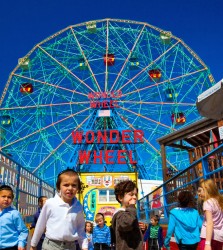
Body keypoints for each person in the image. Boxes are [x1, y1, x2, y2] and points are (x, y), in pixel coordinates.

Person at [30, 169, 88, 250]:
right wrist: (33, 245)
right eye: (66, 185)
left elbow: (81, 229)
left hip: (71, 246)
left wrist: (84, 246)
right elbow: (40, 225)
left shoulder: (78, 206)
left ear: (78, 188)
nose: (70, 188)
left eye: (74, 185)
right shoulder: (50, 203)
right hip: (51, 245)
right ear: (58, 187)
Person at [111, 180, 143, 250]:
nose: (134, 197)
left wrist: (141, 229)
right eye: (131, 194)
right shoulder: (119, 214)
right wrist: (131, 206)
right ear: (120, 198)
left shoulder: (130, 212)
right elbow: (126, 224)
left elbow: (131, 231)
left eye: (135, 195)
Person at [0, 184, 28, 250]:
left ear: (12, 199)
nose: (6, 199)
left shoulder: (15, 214)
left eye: (9, 197)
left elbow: (23, 231)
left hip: (11, 247)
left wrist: (21, 243)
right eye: (3, 196)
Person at [198, 179, 223, 249]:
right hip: (219, 238)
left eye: (200, 191)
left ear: (207, 190)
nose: (198, 193)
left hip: (208, 237)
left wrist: (207, 243)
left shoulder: (207, 203)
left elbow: (209, 223)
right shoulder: (219, 201)